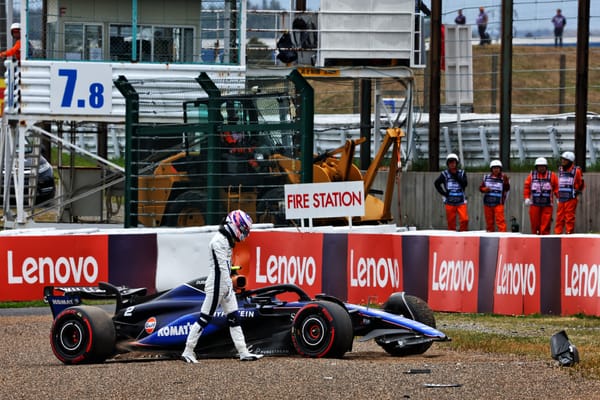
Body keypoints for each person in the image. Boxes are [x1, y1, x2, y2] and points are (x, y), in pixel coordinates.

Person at [182, 209, 263, 363]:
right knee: (205, 318)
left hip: (224, 285)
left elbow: (225, 267)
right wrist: (226, 289)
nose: (245, 233)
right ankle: (188, 350)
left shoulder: (225, 240)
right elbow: (221, 269)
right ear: (235, 226)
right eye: (243, 229)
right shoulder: (218, 242)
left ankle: (243, 351)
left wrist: (227, 286)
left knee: (234, 318)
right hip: (217, 286)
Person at [523, 157, 559, 235]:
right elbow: (527, 187)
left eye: (543, 166)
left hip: (547, 205)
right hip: (535, 205)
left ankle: (545, 240)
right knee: (535, 224)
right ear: (536, 167)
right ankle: (535, 240)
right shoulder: (531, 176)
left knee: (545, 225)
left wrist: (558, 197)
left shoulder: (552, 176)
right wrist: (526, 198)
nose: (541, 168)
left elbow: (556, 187)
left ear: (546, 167)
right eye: (539, 166)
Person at [434, 153, 469, 231]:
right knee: (451, 222)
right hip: (450, 201)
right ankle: (452, 237)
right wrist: (444, 193)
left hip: (461, 201)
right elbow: (436, 183)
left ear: (456, 163)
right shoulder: (444, 174)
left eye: (453, 162)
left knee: (464, 219)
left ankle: (463, 234)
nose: (452, 164)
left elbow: (465, 184)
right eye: (450, 162)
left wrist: (456, 175)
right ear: (447, 164)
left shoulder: (462, 173)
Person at [554, 151, 584, 234]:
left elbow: (581, 183)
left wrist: (576, 191)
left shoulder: (576, 171)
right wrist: (557, 195)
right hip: (561, 198)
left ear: (570, 161)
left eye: (565, 160)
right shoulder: (560, 170)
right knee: (559, 217)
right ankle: (558, 234)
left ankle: (569, 233)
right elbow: (558, 183)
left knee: (569, 217)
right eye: (562, 159)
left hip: (570, 197)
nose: (563, 161)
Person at [479, 160, 510, 232]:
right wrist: (484, 189)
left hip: (498, 203)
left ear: (500, 169)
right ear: (491, 169)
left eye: (497, 168)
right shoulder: (486, 177)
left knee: (500, 221)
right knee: (489, 223)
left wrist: (506, 182)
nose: (496, 170)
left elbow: (507, 189)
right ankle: (490, 237)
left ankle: (503, 237)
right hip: (487, 203)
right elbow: (481, 188)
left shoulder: (503, 177)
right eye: (494, 168)